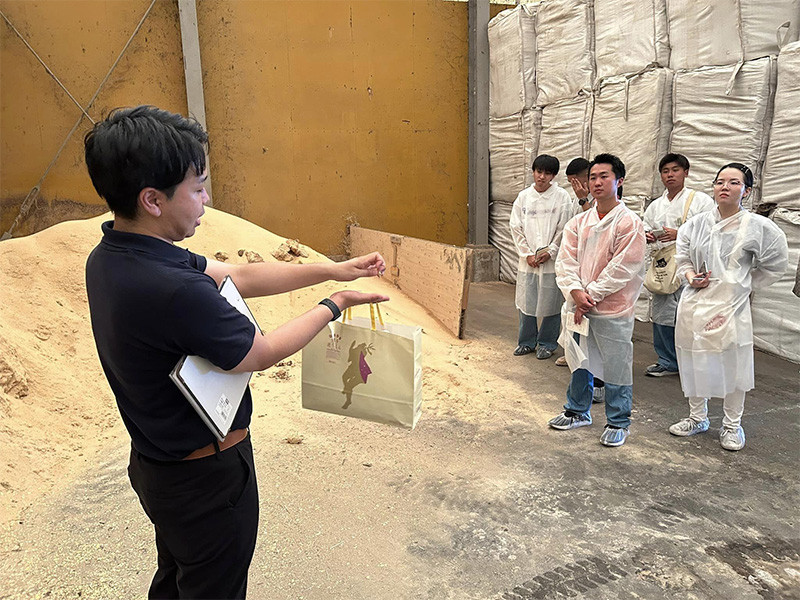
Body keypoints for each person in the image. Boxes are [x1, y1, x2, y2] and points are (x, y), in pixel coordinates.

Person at [83, 106, 388, 599]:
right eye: (198, 188)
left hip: (157, 466)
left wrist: (333, 269)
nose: (206, 200)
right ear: (152, 199)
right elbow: (260, 352)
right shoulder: (174, 290)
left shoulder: (112, 255)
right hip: (206, 481)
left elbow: (237, 275)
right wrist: (334, 304)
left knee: (177, 578)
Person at [668, 162, 788, 451]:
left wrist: (741, 284)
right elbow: (682, 257)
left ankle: (732, 425)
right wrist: (690, 277)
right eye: (720, 181)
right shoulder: (696, 224)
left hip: (731, 307)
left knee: (734, 366)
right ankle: (697, 417)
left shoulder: (757, 227)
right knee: (694, 360)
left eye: (734, 182)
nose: (725, 187)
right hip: (695, 303)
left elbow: (775, 263)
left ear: (746, 191)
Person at [548, 154, 646, 447]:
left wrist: (590, 294)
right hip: (579, 304)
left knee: (616, 365)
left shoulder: (629, 223)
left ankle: (618, 420)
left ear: (619, 181)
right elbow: (565, 262)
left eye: (604, 176)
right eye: (593, 177)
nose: (597, 182)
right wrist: (575, 291)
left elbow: (624, 267)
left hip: (612, 308)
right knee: (580, 360)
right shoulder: (578, 222)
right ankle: (578, 410)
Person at [642, 153, 715, 377]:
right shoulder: (656, 205)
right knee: (662, 313)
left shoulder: (700, 201)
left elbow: (710, 229)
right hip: (664, 265)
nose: (670, 175)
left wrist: (680, 233)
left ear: (686, 172)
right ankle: (667, 360)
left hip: (690, 266)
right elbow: (645, 226)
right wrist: (648, 236)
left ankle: (693, 362)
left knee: (690, 315)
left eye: (675, 170)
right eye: (665, 171)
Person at [509, 154, 574, 360]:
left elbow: (564, 227)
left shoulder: (562, 197)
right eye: (539, 172)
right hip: (528, 262)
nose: (542, 177)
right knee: (526, 301)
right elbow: (515, 227)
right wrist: (527, 253)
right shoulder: (523, 197)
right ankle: (526, 341)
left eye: (547, 173)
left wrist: (551, 251)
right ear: (533, 172)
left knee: (551, 303)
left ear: (553, 175)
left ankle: (547, 343)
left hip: (551, 262)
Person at [557, 156, 605, 403]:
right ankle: (577, 367)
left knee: (598, 338)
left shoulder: (606, 203)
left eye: (579, 180)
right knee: (576, 327)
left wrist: (584, 199)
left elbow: (598, 229)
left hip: (600, 279)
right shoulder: (577, 201)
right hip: (579, 275)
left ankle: (600, 384)